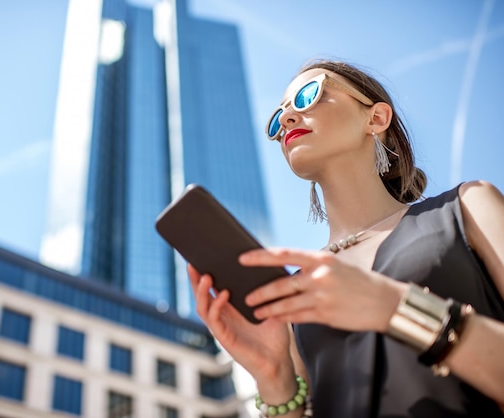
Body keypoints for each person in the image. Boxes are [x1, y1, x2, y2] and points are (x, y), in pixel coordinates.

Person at [187, 59, 504, 417]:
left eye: (309, 96)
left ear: (376, 119)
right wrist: (274, 379)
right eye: (279, 117)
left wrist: (394, 306)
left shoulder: (469, 206)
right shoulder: (296, 290)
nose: (288, 118)